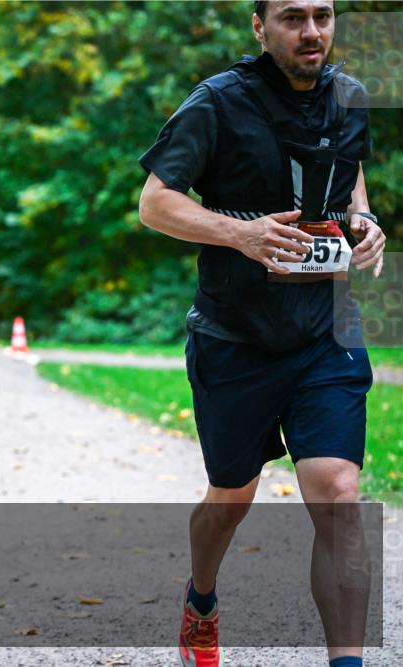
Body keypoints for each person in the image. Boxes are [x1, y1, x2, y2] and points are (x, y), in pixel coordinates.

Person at [137, 2, 386, 666]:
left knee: (336, 489)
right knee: (230, 497)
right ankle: (203, 598)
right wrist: (239, 233)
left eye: (323, 16)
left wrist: (362, 220)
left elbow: (350, 172)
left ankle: (348, 661)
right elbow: (156, 201)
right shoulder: (218, 101)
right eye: (292, 17)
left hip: (324, 330)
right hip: (235, 334)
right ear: (259, 26)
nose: (312, 32)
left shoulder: (349, 96)